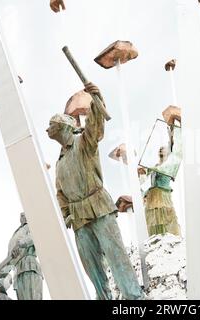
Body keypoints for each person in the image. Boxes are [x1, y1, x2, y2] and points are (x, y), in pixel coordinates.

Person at [47, 82, 144, 300]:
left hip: (99, 207)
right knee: (92, 269)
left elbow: (95, 125)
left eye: (53, 125)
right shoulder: (60, 162)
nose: (49, 129)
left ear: (65, 127)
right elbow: (60, 193)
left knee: (116, 256)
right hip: (79, 220)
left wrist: (96, 99)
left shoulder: (84, 142)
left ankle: (135, 299)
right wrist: (66, 215)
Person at [142, 146, 181, 237]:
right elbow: (144, 176)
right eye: (160, 148)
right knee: (154, 219)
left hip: (163, 194)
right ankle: (157, 240)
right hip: (153, 195)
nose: (160, 149)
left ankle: (168, 238)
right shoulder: (155, 166)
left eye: (163, 148)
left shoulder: (170, 165)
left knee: (165, 216)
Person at [8, 212, 43, 300]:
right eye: (21, 215)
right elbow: (9, 256)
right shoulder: (16, 232)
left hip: (28, 265)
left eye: (25, 214)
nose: (22, 216)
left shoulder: (32, 226)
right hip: (17, 269)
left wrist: (20, 244)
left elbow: (33, 236)